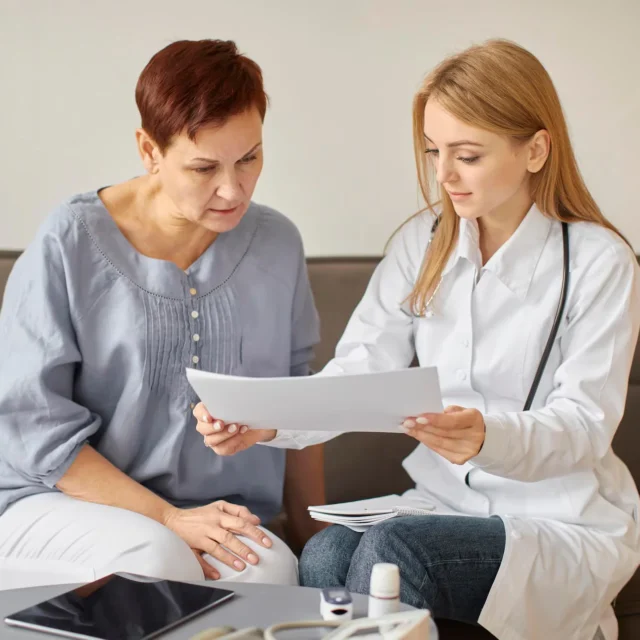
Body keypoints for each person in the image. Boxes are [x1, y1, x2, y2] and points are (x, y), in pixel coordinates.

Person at [195, 40, 640, 639]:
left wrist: (487, 435)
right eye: (434, 151)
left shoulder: (599, 261)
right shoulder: (421, 244)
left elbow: (585, 426)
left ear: (535, 149)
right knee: (326, 555)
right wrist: (265, 424)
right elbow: (357, 371)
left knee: (396, 549)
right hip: (441, 506)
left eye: (468, 155)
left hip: (558, 518)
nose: (444, 174)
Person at [0, 39, 326, 590]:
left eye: (249, 158)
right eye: (204, 167)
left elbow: (302, 407)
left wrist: (317, 549)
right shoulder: (70, 241)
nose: (233, 188)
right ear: (149, 151)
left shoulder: (277, 243)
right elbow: (35, 430)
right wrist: (168, 519)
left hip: (217, 513)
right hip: (55, 501)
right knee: (155, 560)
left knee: (272, 577)